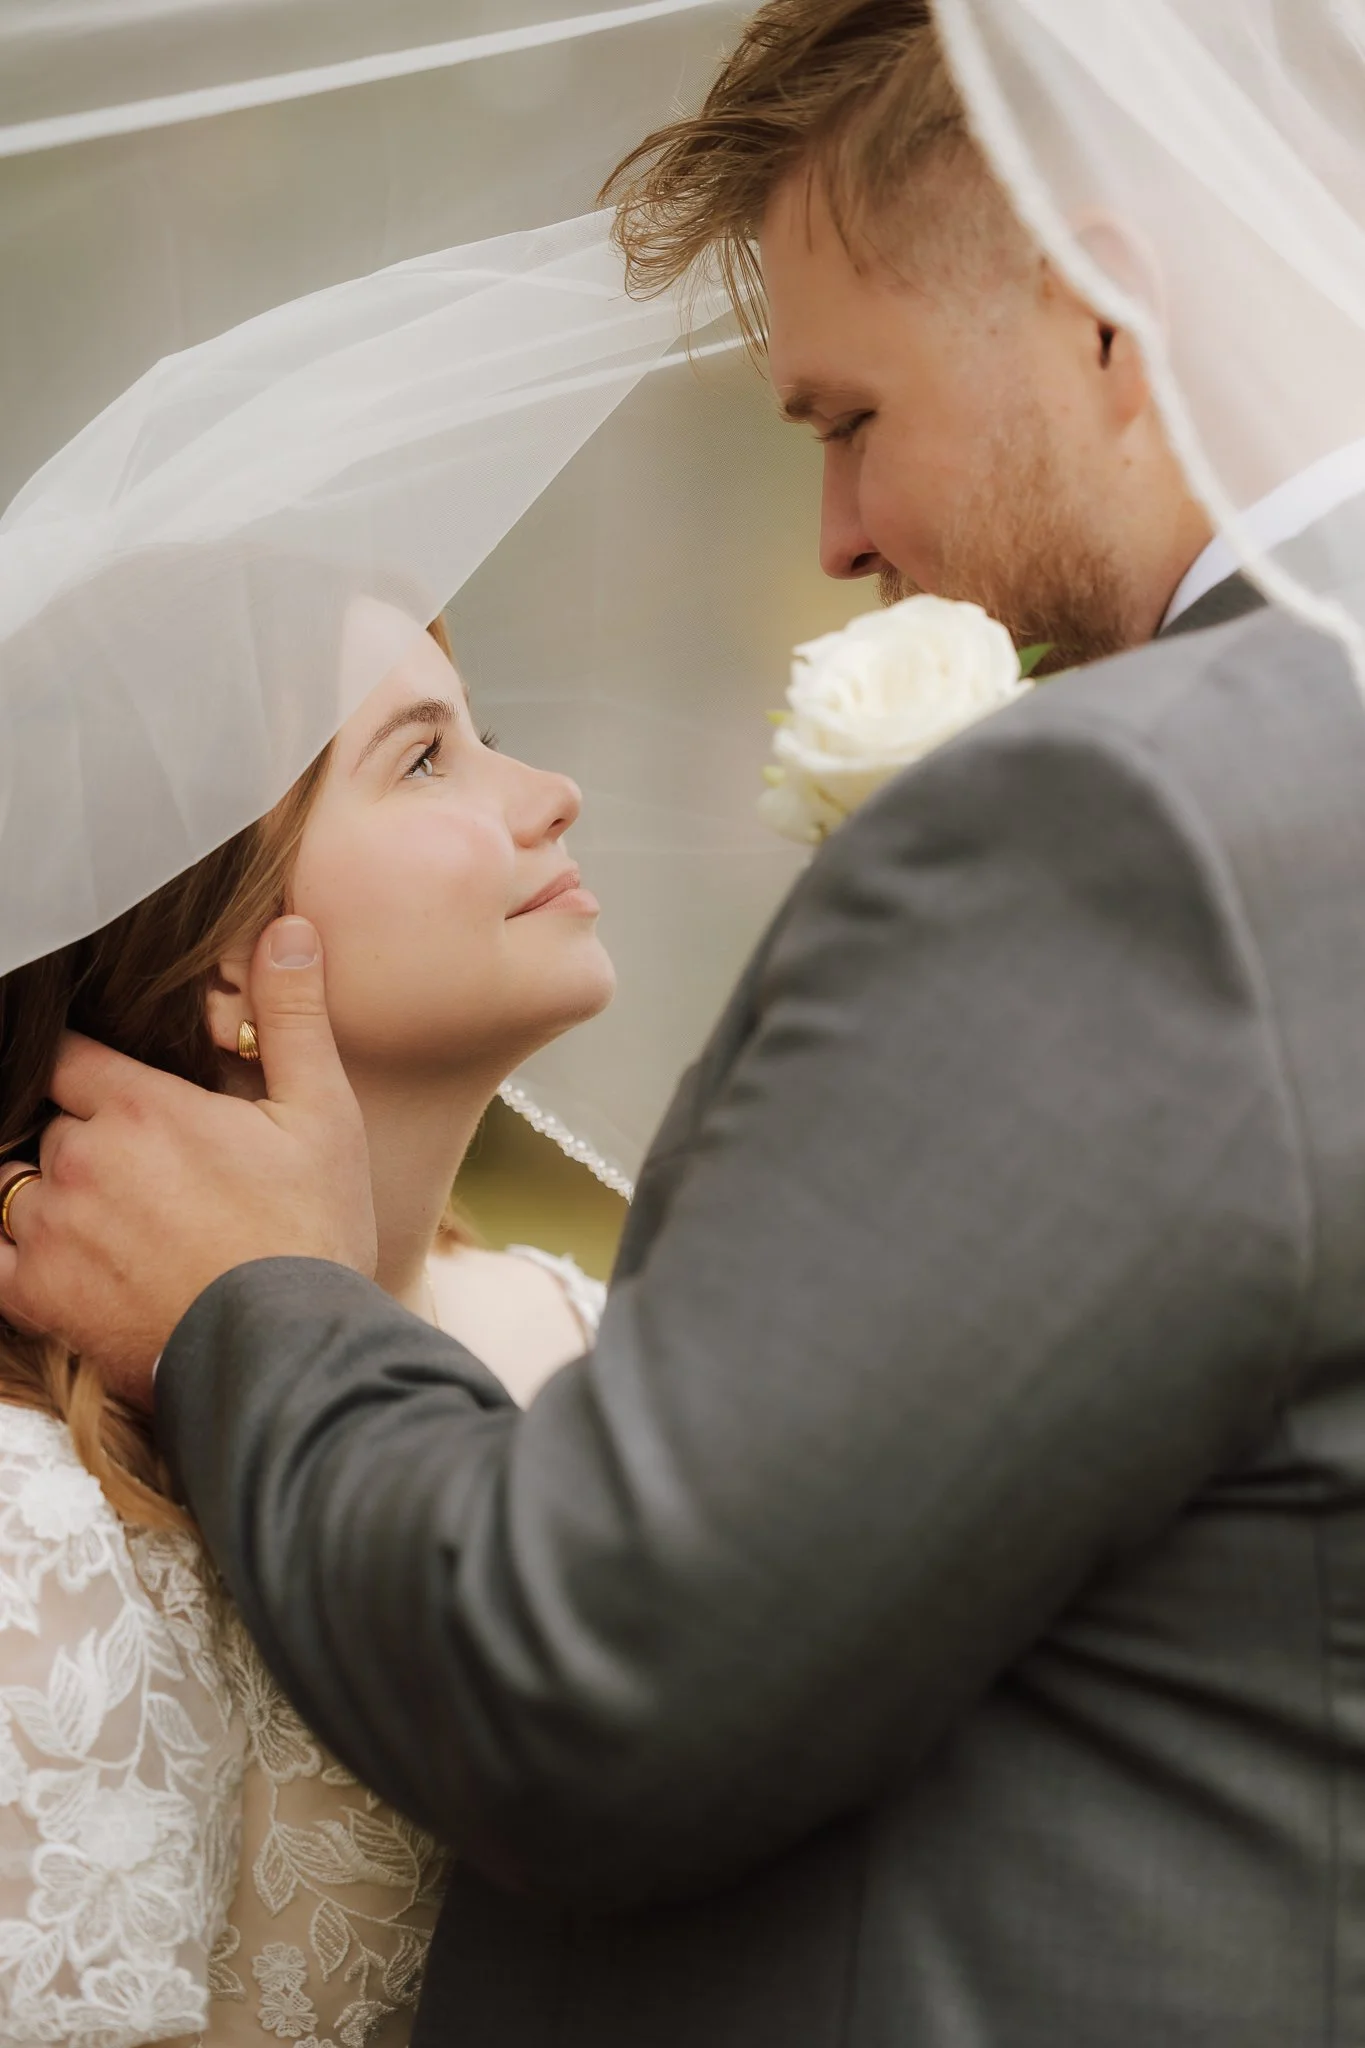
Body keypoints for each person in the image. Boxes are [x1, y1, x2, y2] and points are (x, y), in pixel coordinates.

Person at [9, 2, 1365, 2044]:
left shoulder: (1146, 814)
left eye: (845, 415)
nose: (837, 536)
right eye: (425, 754)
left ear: (1102, 312)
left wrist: (253, 1306)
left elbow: (592, 1666)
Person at [0, 615, 606, 2047]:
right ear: (229, 960)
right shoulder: (42, 1528)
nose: (548, 793)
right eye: (424, 759)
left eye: (487, 732)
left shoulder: (585, 1328)